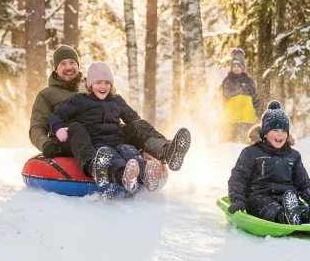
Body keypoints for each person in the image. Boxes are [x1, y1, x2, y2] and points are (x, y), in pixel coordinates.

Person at [29, 45, 191, 172]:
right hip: (73, 140)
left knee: (136, 125)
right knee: (77, 129)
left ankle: (166, 151)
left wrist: (137, 134)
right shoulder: (47, 94)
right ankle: (99, 168)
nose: (68, 67)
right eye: (63, 63)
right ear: (56, 69)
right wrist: (46, 144)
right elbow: (37, 127)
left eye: (72, 62)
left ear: (78, 65)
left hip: (103, 136)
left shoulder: (94, 87)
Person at [49, 62, 161, 194]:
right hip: (97, 144)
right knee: (113, 158)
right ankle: (124, 178)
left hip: (117, 142)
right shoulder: (80, 100)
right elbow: (56, 116)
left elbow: (133, 118)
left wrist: (145, 143)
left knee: (130, 151)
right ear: (90, 84)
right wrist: (58, 129)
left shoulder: (116, 100)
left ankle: (146, 176)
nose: (103, 87)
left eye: (107, 83)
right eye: (98, 83)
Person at [226, 101, 310, 225]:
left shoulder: (293, 156)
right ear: (265, 132)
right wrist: (238, 200)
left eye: (284, 131)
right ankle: (284, 217)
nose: (280, 135)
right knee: (269, 209)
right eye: (275, 130)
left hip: (287, 198)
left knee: (298, 207)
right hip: (260, 197)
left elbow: (303, 182)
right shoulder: (251, 152)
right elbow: (238, 178)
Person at [220, 48, 259, 142]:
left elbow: (254, 96)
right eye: (234, 66)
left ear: (243, 67)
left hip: (247, 117)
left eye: (239, 66)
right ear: (231, 67)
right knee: (231, 141)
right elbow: (224, 94)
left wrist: (257, 108)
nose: (236, 68)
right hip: (231, 118)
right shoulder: (227, 80)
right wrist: (236, 92)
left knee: (245, 141)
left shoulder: (249, 81)